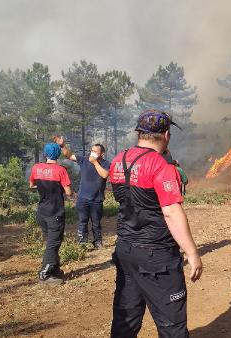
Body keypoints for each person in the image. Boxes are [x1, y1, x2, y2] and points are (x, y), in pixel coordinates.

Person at [109, 109, 203, 337]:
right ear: (167, 135)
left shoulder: (118, 160)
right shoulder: (162, 166)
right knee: (172, 325)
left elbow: (125, 198)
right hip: (157, 256)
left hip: (126, 250)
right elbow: (171, 212)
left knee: (125, 320)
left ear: (139, 133)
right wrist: (192, 252)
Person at [54, 137, 110, 248]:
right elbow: (69, 155)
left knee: (96, 222)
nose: (92, 153)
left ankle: (98, 242)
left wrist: (95, 163)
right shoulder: (84, 159)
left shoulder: (106, 164)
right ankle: (82, 242)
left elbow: (104, 175)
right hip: (83, 198)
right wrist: (62, 145)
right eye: (92, 151)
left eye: (95, 152)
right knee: (82, 221)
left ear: (102, 154)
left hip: (97, 199)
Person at [29, 143, 72, 284]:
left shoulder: (36, 167)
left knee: (51, 241)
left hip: (41, 212)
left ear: (45, 154)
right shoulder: (61, 170)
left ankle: (54, 270)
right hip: (55, 213)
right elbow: (69, 192)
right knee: (53, 244)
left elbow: (32, 185)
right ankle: (45, 274)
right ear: (58, 154)